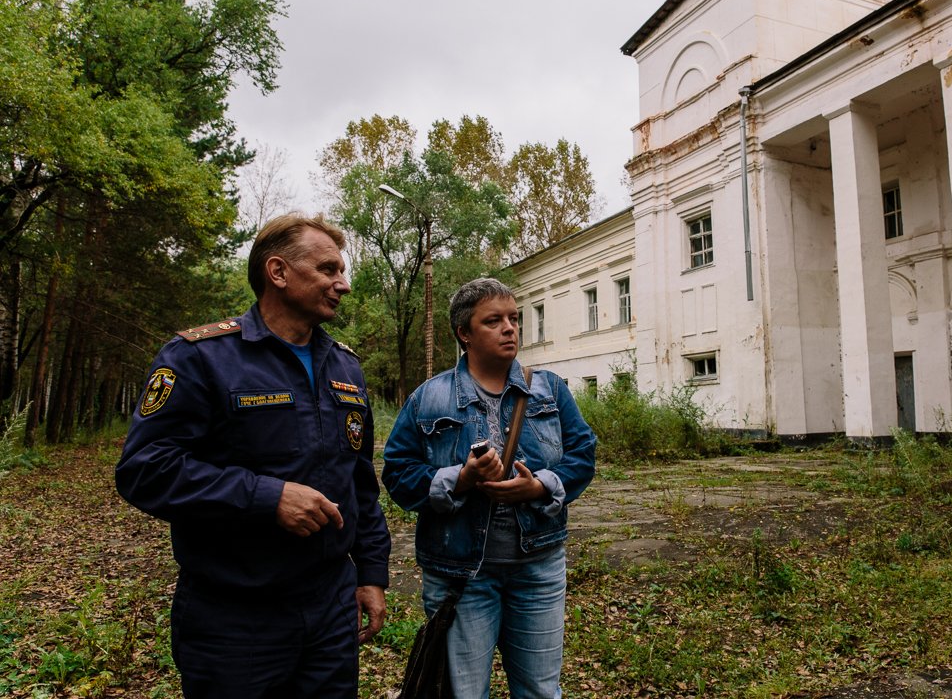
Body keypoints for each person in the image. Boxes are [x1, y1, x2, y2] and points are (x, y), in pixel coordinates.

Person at [115, 214, 391, 699]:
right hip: (235, 615)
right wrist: (266, 497)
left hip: (329, 607)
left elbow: (359, 482)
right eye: (327, 269)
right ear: (278, 272)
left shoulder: (345, 366)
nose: (342, 284)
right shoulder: (200, 357)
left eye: (341, 270)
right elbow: (144, 470)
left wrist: (371, 573)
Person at [383, 277, 596, 699]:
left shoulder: (549, 390)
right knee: (462, 693)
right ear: (464, 333)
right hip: (461, 576)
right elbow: (397, 473)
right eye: (494, 320)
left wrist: (539, 487)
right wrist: (460, 479)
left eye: (514, 319)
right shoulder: (429, 398)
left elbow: (583, 454)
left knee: (539, 690)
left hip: (537, 570)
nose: (510, 328)